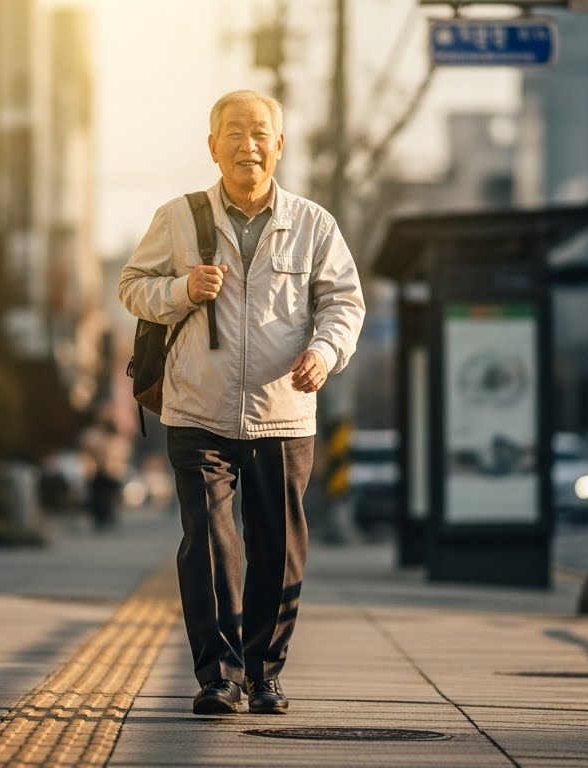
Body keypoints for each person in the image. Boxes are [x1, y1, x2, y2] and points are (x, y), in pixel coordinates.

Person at [118, 90, 365, 716]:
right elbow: (131, 287)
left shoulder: (313, 224)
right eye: (233, 132)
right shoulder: (178, 218)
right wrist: (179, 288)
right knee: (209, 541)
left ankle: (265, 672)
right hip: (198, 409)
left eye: (260, 132)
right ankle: (219, 677)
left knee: (278, 548)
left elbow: (344, 302)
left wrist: (325, 352)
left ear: (279, 145)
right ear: (211, 145)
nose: (247, 144)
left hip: (284, 414)